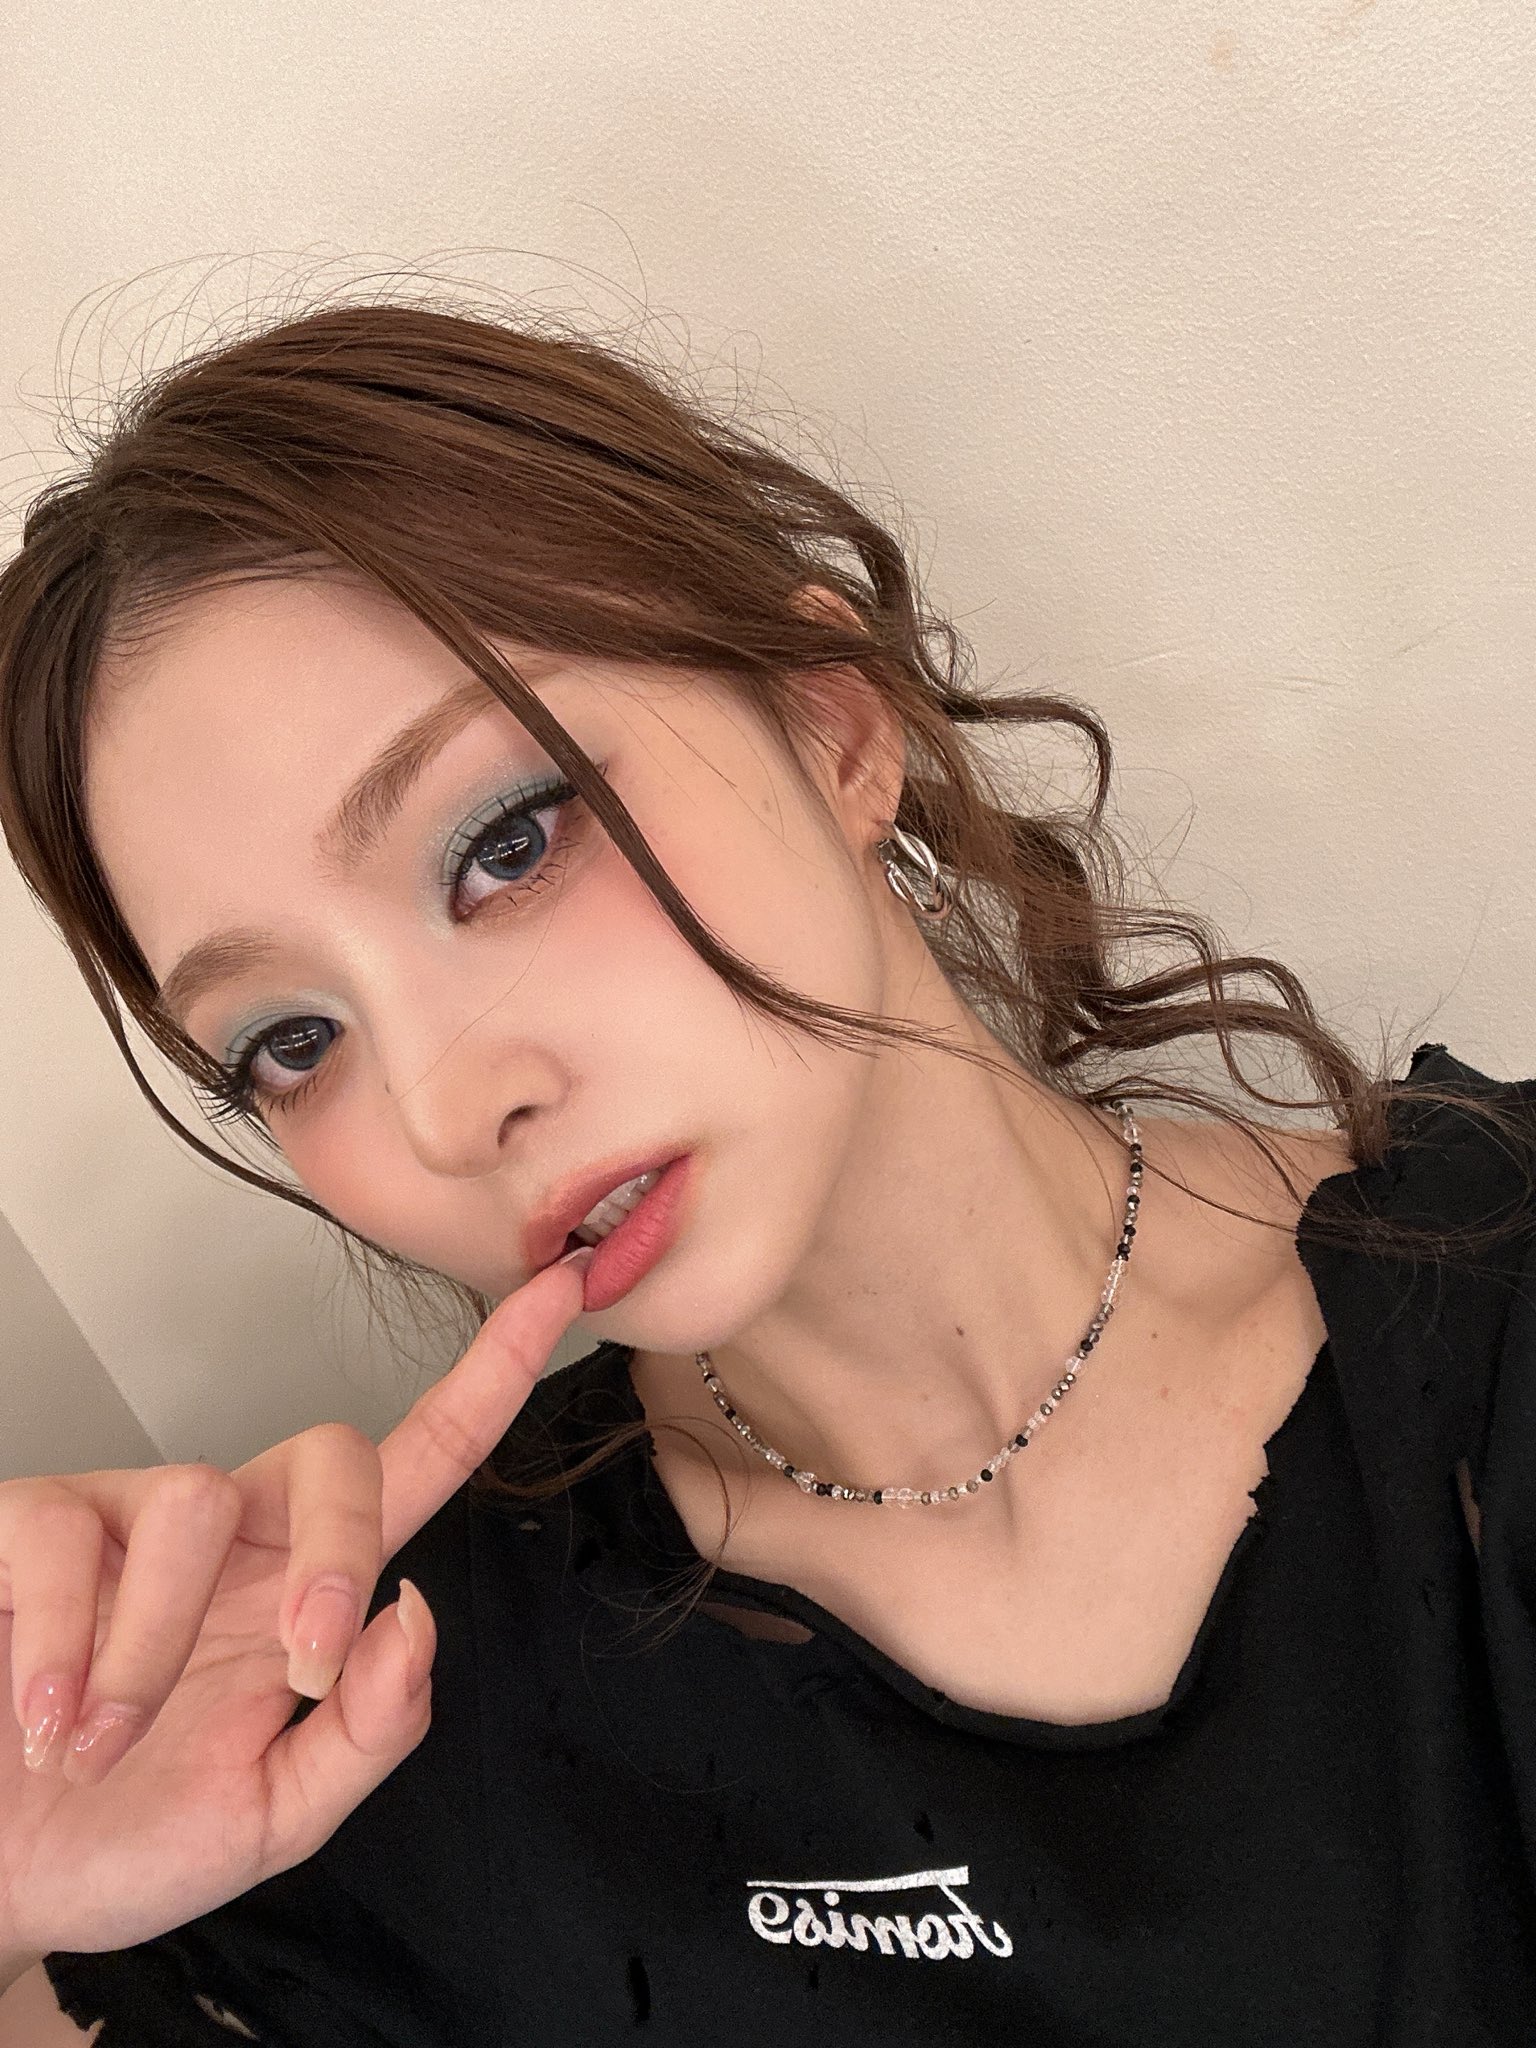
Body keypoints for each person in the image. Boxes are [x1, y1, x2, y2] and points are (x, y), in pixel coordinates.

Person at [0, 299, 1534, 2046]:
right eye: (291, 1039)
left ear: (833, 727)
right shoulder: (399, 1696)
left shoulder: (1496, 1311)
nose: (441, 1112)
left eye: (507, 841)